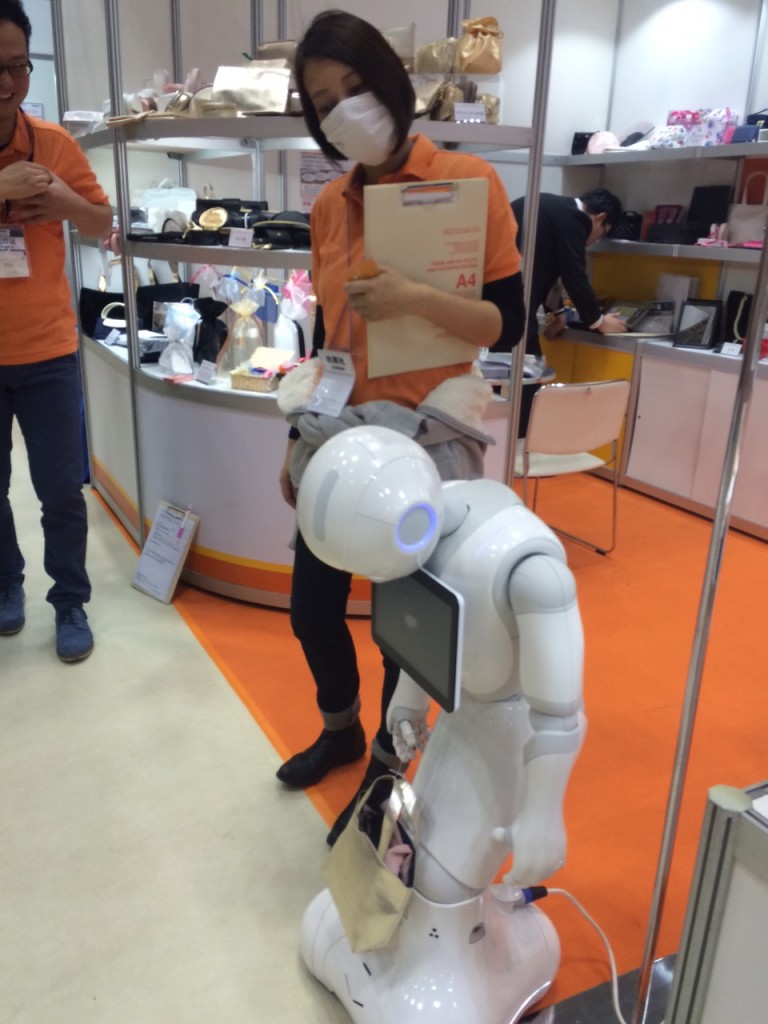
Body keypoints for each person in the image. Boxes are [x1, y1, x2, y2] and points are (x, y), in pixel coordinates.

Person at [275, 9, 525, 844]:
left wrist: (416, 299)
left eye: (355, 87)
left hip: (426, 443)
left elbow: (510, 322)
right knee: (312, 608)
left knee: (404, 631)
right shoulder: (328, 207)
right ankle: (340, 727)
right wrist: (297, 437)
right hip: (341, 439)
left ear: (389, 80)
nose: (345, 110)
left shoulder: (466, 182)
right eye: (324, 102)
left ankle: (386, 776)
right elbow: (327, 334)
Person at [0, 0, 113, 660]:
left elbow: (102, 224)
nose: (7, 83)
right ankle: (6, 585)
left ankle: (70, 599)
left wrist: (65, 202)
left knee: (61, 491)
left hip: (47, 352)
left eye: (18, 66)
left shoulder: (55, 144)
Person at [510, 188, 628, 357]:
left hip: (494, 301)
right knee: (526, 370)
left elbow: (544, 268)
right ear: (600, 218)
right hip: (511, 310)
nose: (595, 240)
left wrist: (559, 314)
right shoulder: (575, 220)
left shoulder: (553, 207)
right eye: (603, 233)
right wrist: (600, 322)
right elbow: (575, 277)